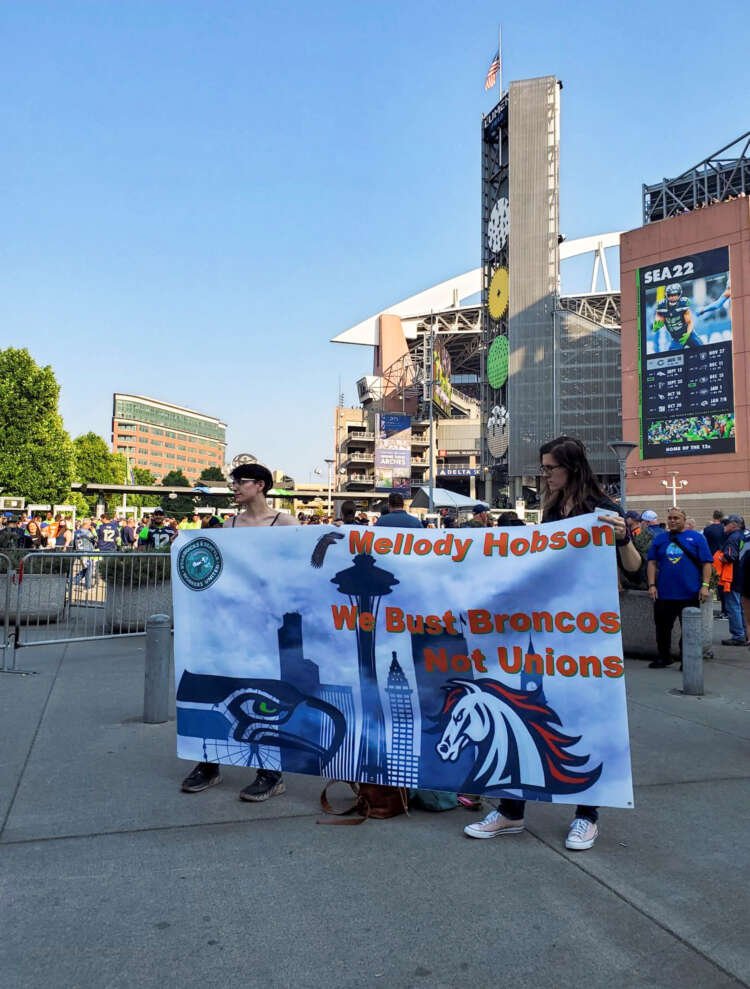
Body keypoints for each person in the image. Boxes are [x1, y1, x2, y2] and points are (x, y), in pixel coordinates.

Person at [464, 436, 642, 851]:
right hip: (547, 630)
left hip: (588, 635)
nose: (544, 475)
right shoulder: (549, 510)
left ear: (572, 468)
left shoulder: (603, 511)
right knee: (526, 709)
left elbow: (632, 568)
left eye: (550, 468)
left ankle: (587, 815)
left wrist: (623, 537)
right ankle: (511, 811)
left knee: (585, 716)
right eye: (543, 468)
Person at [181, 462, 297, 802]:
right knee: (218, 686)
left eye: (240, 482)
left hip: (266, 622)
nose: (234, 487)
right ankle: (209, 763)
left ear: (260, 485)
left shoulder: (285, 523)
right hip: (228, 620)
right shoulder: (228, 525)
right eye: (234, 482)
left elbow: (296, 569)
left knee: (264, 694)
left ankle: (271, 772)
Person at [646, 508, 713, 666]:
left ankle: (686, 660)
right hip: (664, 594)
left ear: (684, 519)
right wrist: (651, 585)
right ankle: (664, 657)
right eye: (670, 518)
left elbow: (707, 563)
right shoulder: (660, 539)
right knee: (662, 629)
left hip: (689, 594)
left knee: (689, 631)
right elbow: (651, 563)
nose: (673, 521)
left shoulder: (697, 538)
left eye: (676, 518)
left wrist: (705, 586)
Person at [718, 515, 749, 646]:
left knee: (733, 606)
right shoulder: (745, 535)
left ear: (735, 525)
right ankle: (744, 633)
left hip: (732, 576)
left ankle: (738, 635)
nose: (724, 526)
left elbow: (729, 557)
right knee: (741, 606)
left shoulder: (733, 537)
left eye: (727, 523)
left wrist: (719, 558)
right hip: (743, 576)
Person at [653, 283, 703, 349]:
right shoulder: (661, 305)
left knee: (702, 349)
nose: (673, 297)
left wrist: (688, 334)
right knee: (672, 356)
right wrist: (656, 324)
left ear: (680, 294)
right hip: (676, 339)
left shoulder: (683, 304)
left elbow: (689, 322)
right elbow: (659, 317)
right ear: (666, 295)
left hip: (689, 335)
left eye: (676, 295)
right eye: (670, 295)